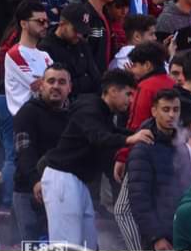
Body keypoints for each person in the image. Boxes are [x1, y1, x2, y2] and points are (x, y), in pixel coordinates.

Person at [41, 68, 151, 248]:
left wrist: (138, 135)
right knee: (68, 244)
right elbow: (98, 137)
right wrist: (130, 139)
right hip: (63, 179)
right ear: (113, 91)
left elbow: (111, 132)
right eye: (128, 94)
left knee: (88, 243)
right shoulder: (90, 110)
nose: (131, 100)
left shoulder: (101, 111)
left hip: (77, 181)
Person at [120, 88, 187, 251]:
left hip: (178, 232)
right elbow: (140, 199)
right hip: (157, 237)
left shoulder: (181, 145)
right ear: (154, 111)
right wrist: (156, 236)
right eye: (166, 109)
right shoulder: (143, 149)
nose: (171, 115)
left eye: (176, 110)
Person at [11, 63, 71, 243]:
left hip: (64, 193)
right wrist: (36, 181)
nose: (56, 86)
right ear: (42, 85)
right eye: (51, 81)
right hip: (29, 191)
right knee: (34, 245)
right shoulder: (27, 112)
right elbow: (24, 150)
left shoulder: (74, 115)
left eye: (62, 82)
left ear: (70, 87)